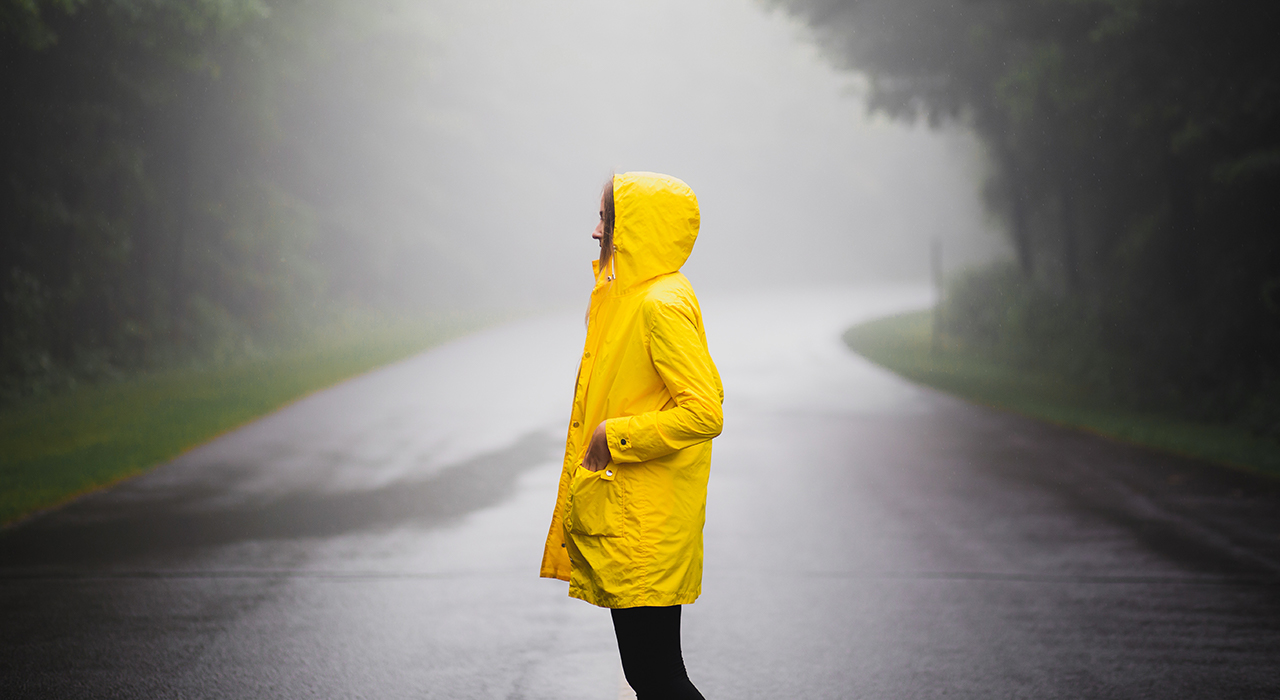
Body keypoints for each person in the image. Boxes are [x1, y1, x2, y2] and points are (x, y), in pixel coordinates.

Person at [540, 172, 723, 699]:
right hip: (633, 515)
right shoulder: (625, 296)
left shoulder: (658, 305)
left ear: (634, 227)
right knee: (651, 675)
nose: (596, 232)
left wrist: (613, 436)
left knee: (657, 676)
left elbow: (704, 411)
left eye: (606, 218)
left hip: (646, 523)